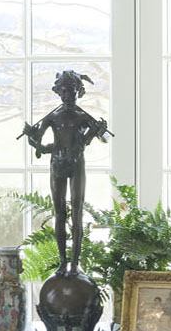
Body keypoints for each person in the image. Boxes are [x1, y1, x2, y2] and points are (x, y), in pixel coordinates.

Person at [21, 70, 111, 275]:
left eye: (71, 91)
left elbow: (105, 138)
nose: (67, 95)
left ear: (78, 92)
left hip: (77, 165)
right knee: (59, 214)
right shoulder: (53, 116)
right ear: (59, 93)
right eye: (64, 91)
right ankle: (63, 262)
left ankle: (75, 263)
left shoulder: (83, 117)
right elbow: (41, 146)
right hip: (58, 165)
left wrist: (98, 130)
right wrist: (31, 136)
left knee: (77, 213)